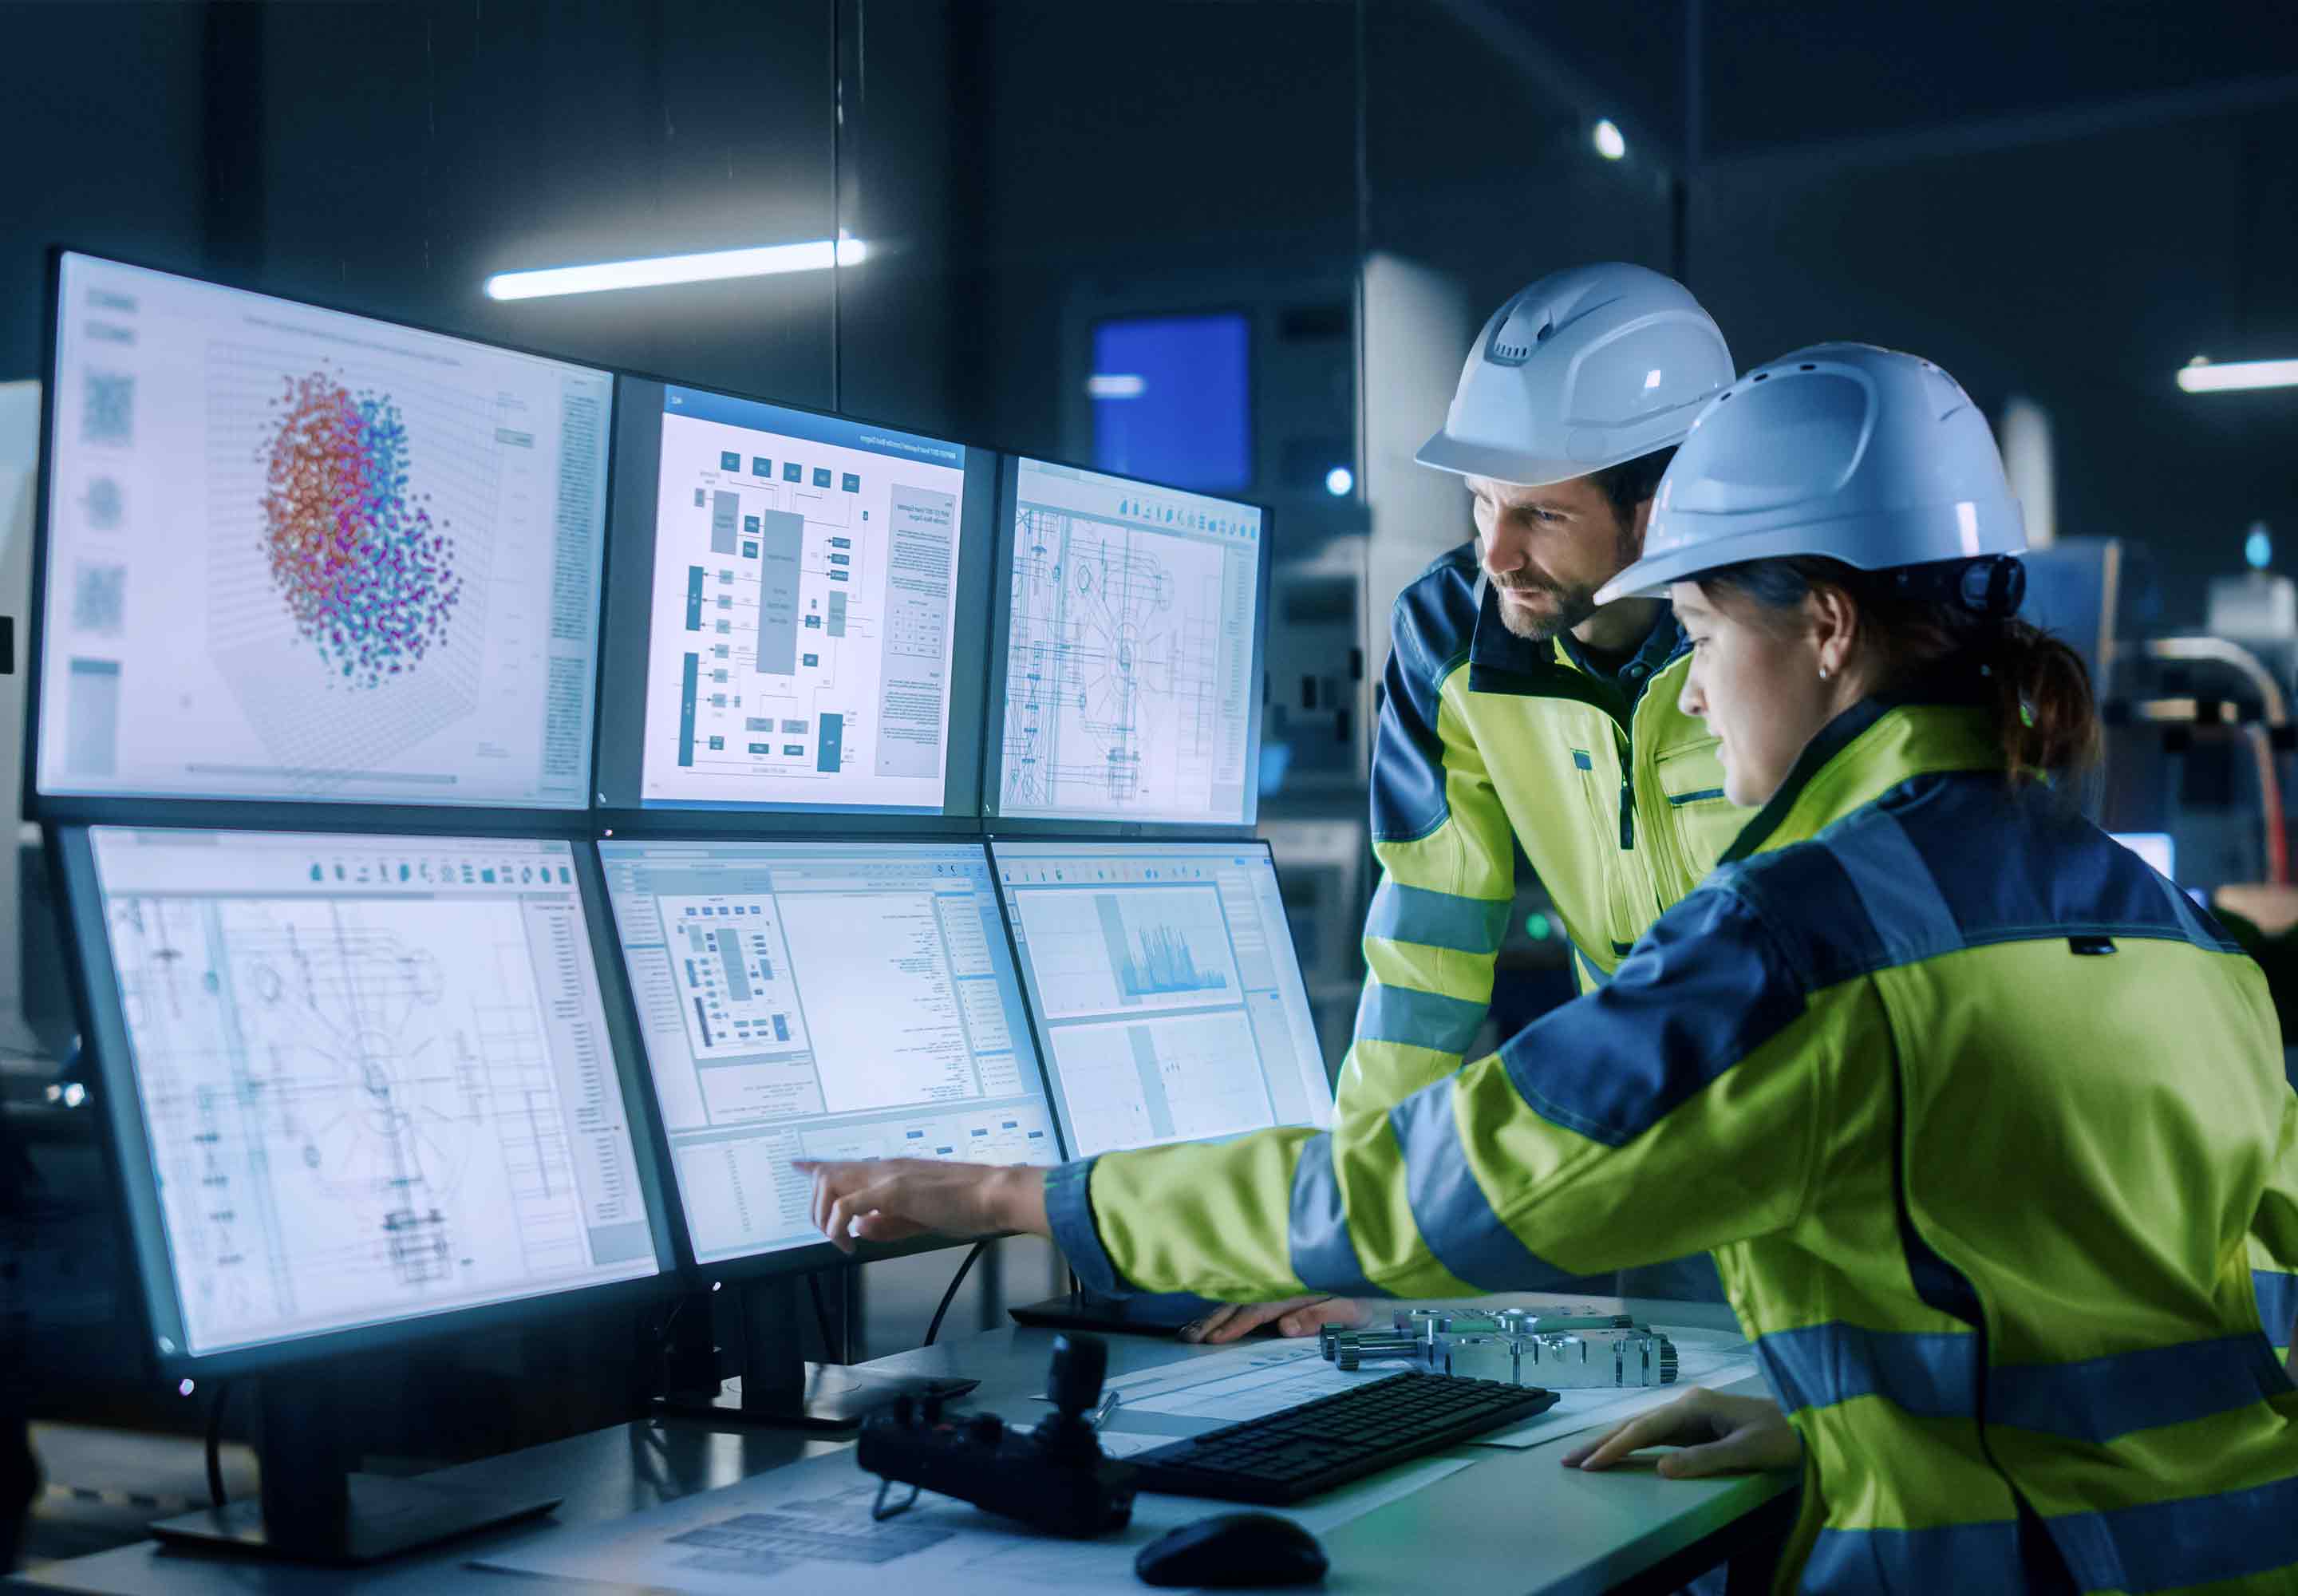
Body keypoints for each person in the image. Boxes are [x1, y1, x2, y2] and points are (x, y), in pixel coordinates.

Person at [802, 344, 2298, 1594]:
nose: (1698, 688)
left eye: (1707, 628)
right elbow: (2152, 1312)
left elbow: (1441, 1188)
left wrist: (1027, 1198)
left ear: (1828, 629)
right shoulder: (2178, 940)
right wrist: (1827, 1412)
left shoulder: (1811, 941)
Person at [1190, 261, 1744, 1343]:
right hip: (1667, 1172)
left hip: (1840, 1151)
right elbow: (1426, 962)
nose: (1495, 553)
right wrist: (1351, 1239)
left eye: (1540, 512)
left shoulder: (1770, 634)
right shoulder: (1449, 636)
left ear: (1664, 503)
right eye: (1480, 501)